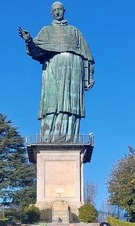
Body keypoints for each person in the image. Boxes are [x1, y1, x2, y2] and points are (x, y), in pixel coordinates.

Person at [17, 1, 95, 143]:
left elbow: (87, 56)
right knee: (53, 102)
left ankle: (70, 136)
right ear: (51, 13)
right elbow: (36, 52)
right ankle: (50, 136)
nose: (58, 12)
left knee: (71, 104)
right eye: (55, 10)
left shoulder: (74, 31)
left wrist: (87, 76)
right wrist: (28, 40)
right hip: (53, 69)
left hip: (74, 70)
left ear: (64, 11)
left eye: (60, 9)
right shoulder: (46, 31)